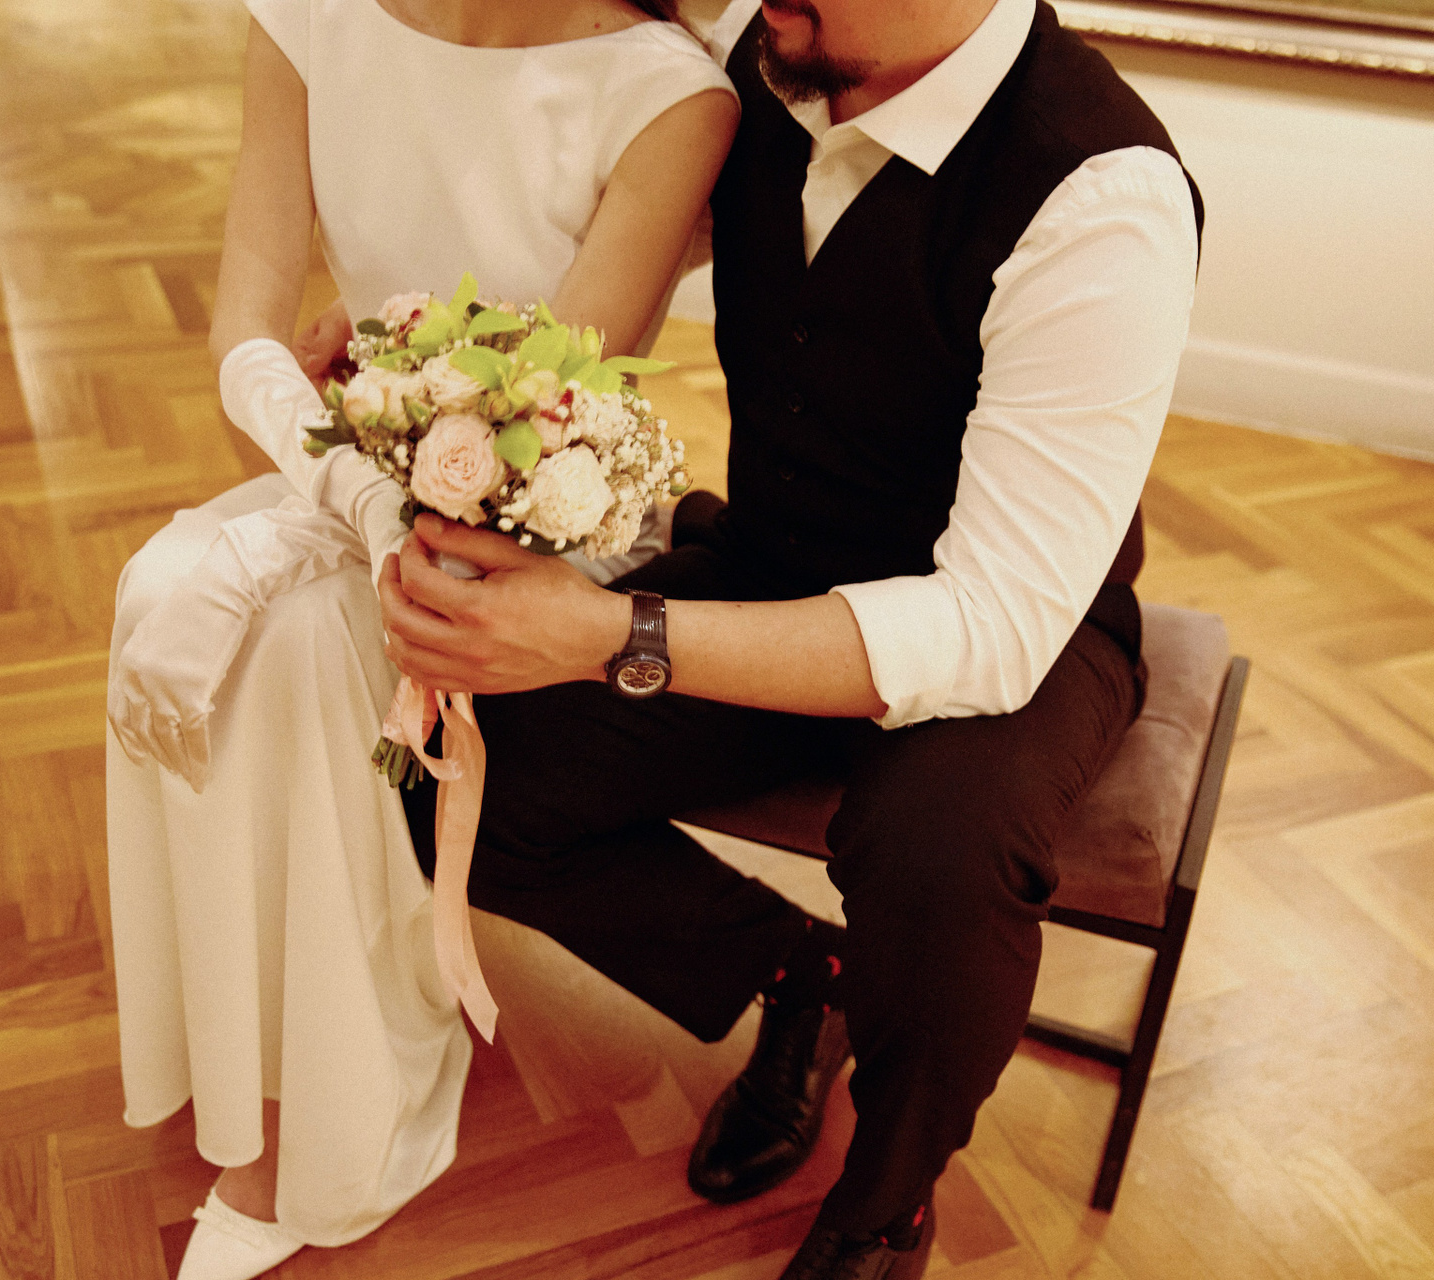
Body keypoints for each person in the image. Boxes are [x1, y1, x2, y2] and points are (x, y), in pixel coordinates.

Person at [374, 0, 1203, 1276]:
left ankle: (884, 1203)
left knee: (937, 865)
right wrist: (407, 358)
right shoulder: (763, 64)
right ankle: (796, 976)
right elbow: (593, 264)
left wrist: (611, 632)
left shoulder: (1104, 195)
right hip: (777, 558)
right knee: (458, 775)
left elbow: (989, 623)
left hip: (1012, 631)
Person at [101, 0, 737, 1275]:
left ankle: (339, 1116)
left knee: (291, 641)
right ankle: (244, 1044)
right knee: (166, 586)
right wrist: (356, 491)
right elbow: (244, 328)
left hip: (535, 527)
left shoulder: (671, 94)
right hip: (349, 473)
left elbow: (553, 404)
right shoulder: (307, 18)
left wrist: (400, 495)